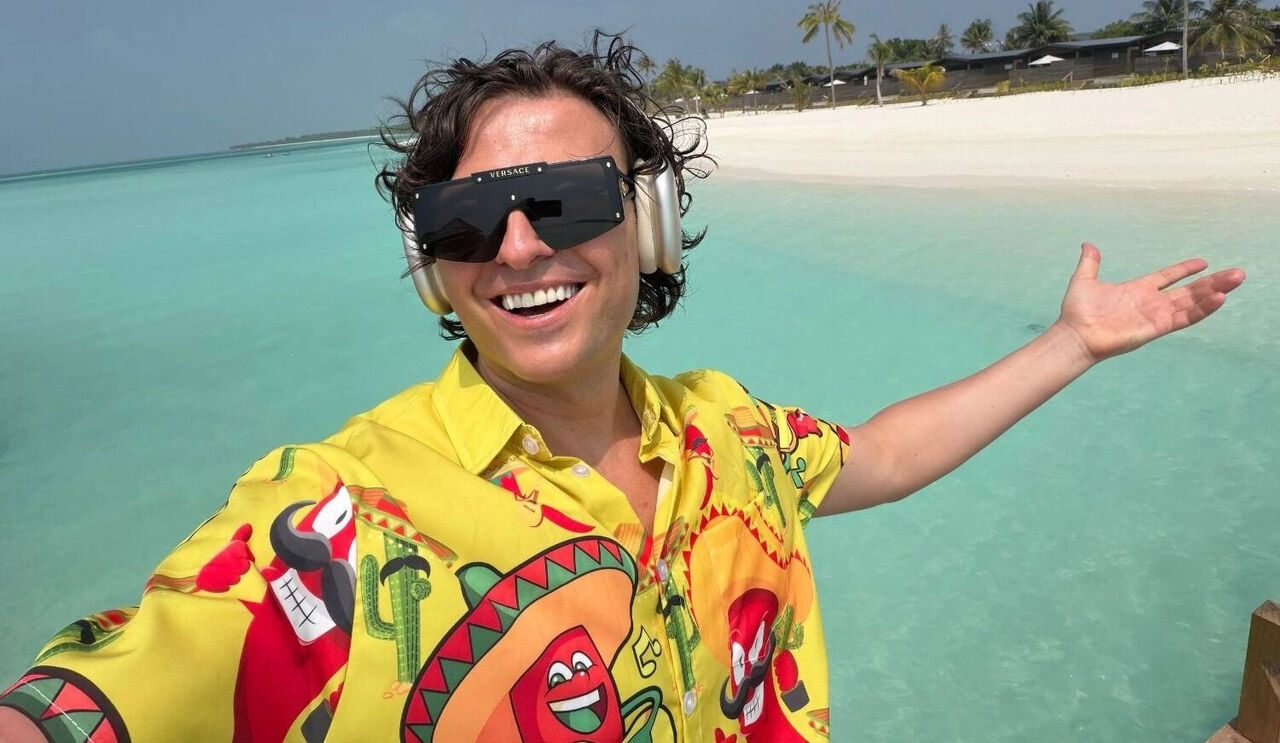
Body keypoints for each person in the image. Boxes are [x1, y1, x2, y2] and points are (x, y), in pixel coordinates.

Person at [0, 33, 1245, 743]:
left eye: (563, 201)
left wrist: (1069, 344)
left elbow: (875, 455)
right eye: (467, 218)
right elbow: (118, 686)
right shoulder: (341, 509)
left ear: (645, 223)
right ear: (431, 264)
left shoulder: (722, 428)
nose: (518, 248)